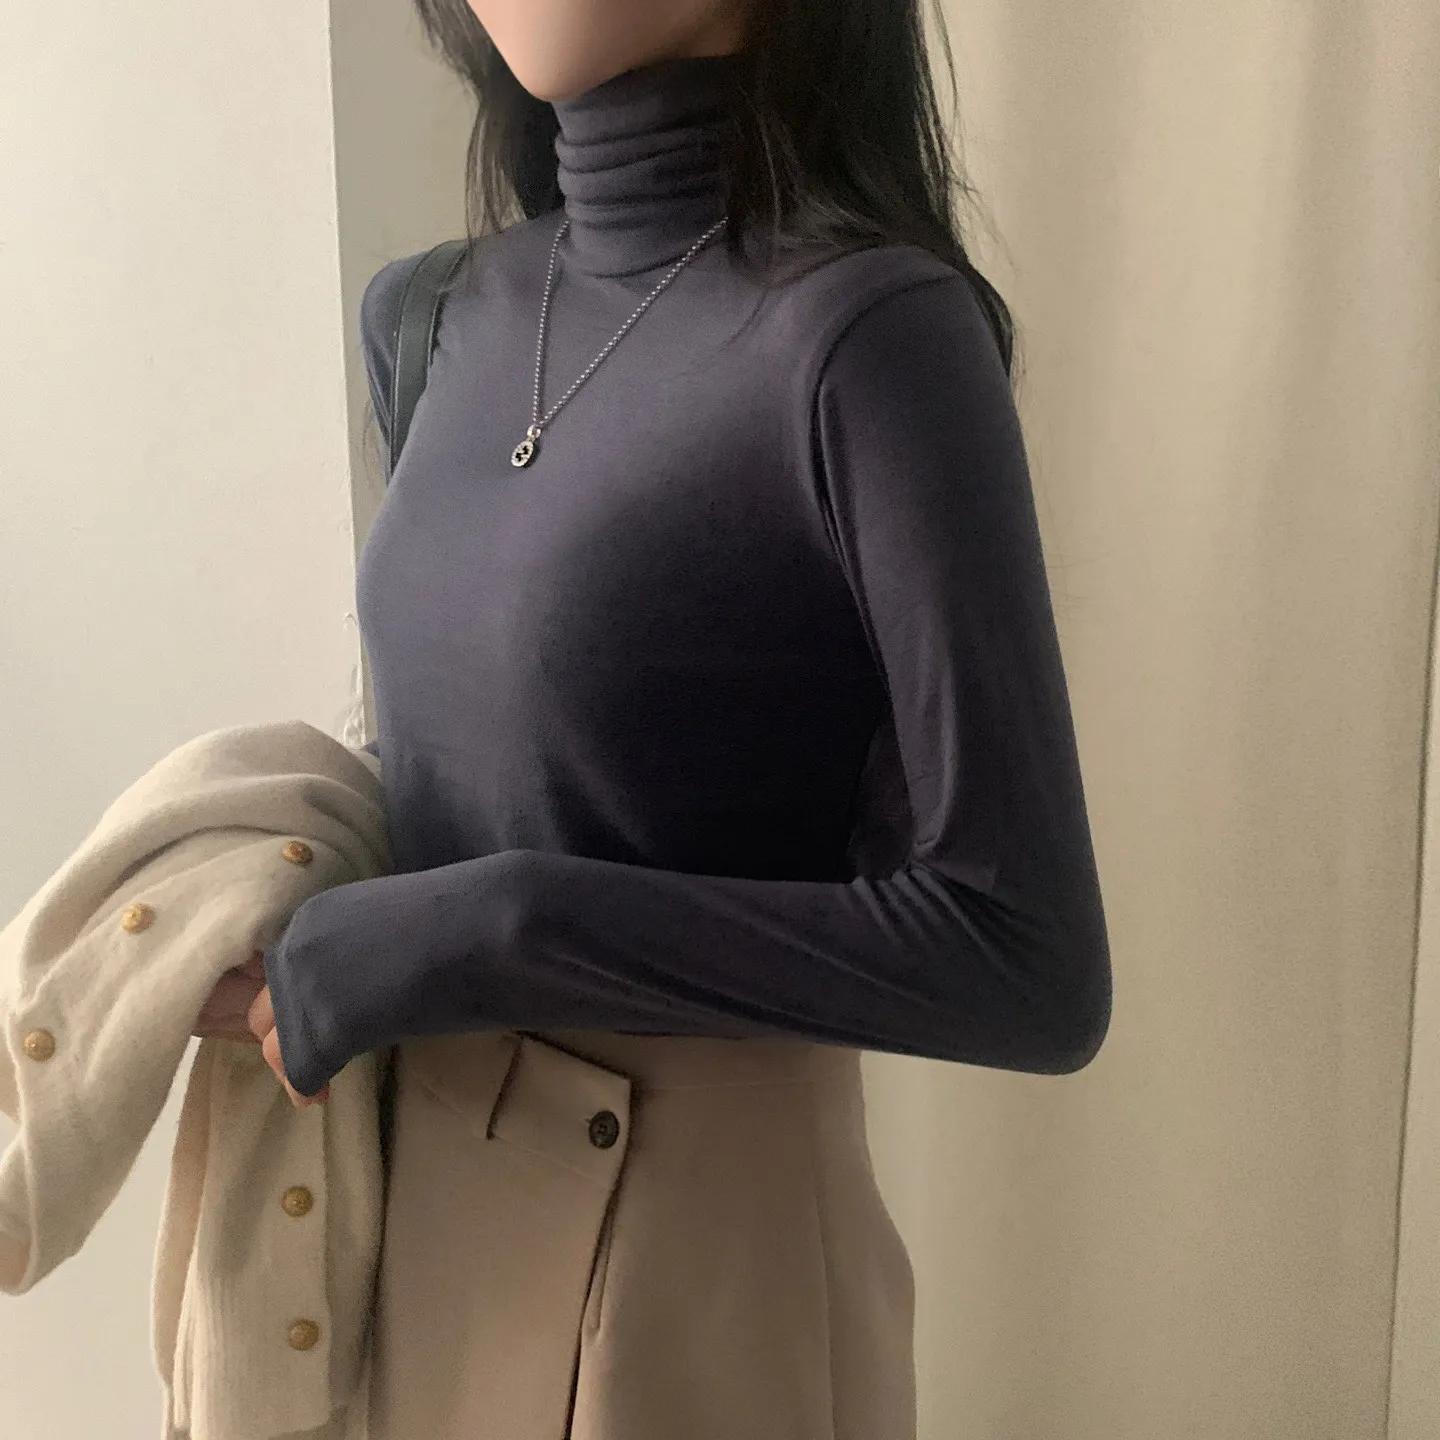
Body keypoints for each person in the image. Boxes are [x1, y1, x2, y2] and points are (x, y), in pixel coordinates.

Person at [195, 1, 1112, 1435]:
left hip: (697, 1266)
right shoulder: (428, 318)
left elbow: (1026, 961)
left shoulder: (871, 338)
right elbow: (493, 752)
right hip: (418, 1219)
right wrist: (266, 906)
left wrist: (494, 928)